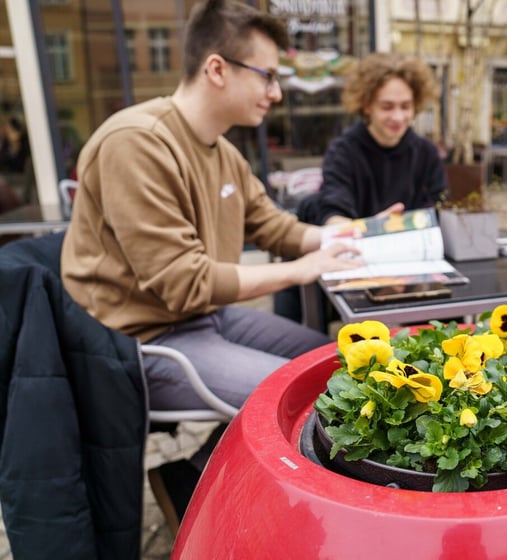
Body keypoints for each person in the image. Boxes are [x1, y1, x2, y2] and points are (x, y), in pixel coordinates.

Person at [60, 0, 361, 534]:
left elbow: (277, 228)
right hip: (138, 340)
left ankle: (191, 470)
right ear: (217, 68)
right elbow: (183, 281)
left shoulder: (223, 153)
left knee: (331, 361)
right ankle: (267, 516)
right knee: (299, 399)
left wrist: (358, 233)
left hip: (204, 317)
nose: (276, 93)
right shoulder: (135, 143)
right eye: (267, 76)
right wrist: (302, 269)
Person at [313, 51, 447, 225]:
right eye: (387, 107)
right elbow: (333, 214)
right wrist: (374, 229)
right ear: (367, 105)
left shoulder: (427, 153)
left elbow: (440, 209)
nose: (398, 117)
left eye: (405, 106)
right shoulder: (343, 152)